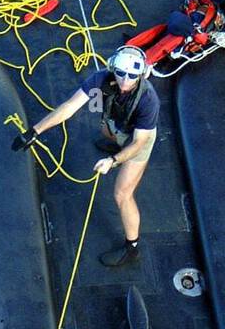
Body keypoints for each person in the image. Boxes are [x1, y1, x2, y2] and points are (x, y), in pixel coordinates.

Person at [11, 45, 159, 269]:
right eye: (120, 73)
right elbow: (69, 107)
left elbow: (139, 142)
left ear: (140, 74)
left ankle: (132, 248)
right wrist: (34, 131)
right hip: (117, 126)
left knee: (122, 194)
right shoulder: (101, 79)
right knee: (105, 131)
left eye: (131, 75)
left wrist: (113, 161)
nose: (125, 80)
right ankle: (114, 147)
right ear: (113, 69)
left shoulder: (148, 100)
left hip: (139, 139)